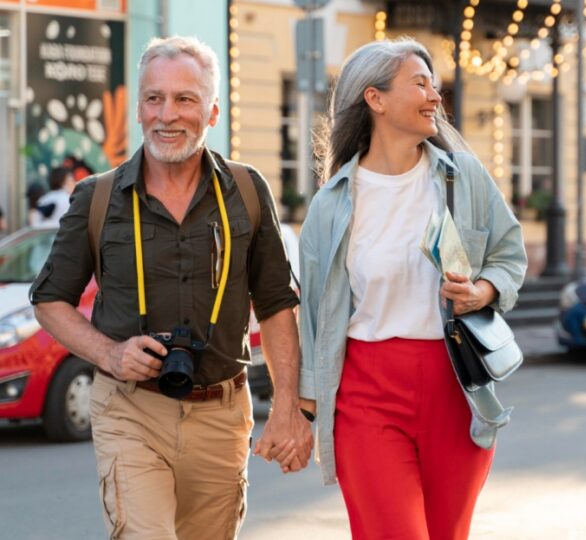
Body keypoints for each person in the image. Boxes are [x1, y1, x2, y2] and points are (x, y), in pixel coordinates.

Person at [30, 36, 312, 539]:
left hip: (223, 415)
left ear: (213, 112)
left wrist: (289, 408)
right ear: (139, 107)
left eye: (185, 99)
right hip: (129, 409)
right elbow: (50, 300)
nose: (167, 114)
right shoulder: (96, 197)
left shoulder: (247, 190)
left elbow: (276, 305)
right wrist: (110, 354)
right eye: (154, 98)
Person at [298, 38, 528, 540]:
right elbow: (314, 316)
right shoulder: (332, 203)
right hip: (366, 394)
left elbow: (509, 256)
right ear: (375, 99)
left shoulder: (462, 177)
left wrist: (483, 292)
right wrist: (304, 411)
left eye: (435, 85)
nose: (434, 96)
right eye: (419, 83)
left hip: (454, 386)